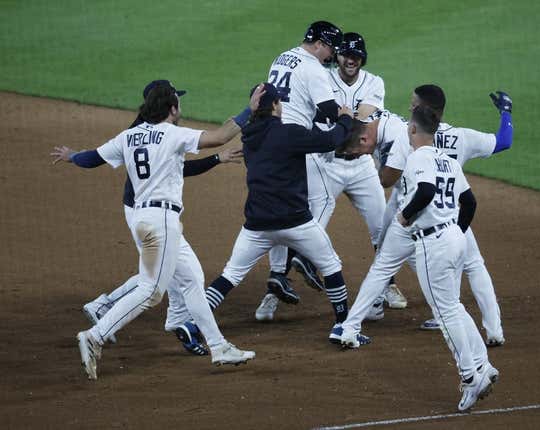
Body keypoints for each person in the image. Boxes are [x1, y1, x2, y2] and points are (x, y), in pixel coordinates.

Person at [51, 81, 256, 379]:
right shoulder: (173, 134)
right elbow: (221, 136)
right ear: (172, 109)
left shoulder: (129, 136)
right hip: (161, 222)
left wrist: (72, 156)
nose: (181, 109)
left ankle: (219, 346)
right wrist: (250, 109)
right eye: (179, 105)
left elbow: (92, 158)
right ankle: (95, 335)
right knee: (151, 291)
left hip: (144, 218)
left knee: (192, 280)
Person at [342, 85, 512, 347]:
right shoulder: (461, 137)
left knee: (382, 268)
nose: (410, 108)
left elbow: (389, 180)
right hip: (450, 217)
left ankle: (351, 326)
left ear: (425, 111)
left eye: (414, 104)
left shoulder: (406, 136)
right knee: (474, 265)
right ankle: (494, 330)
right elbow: (504, 142)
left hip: (410, 219)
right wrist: (506, 112)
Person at [203, 82, 370, 344]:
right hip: (295, 222)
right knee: (331, 266)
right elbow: (330, 140)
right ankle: (342, 326)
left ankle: (193, 322)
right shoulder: (289, 133)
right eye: (279, 101)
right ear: (274, 106)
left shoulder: (249, 136)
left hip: (257, 225)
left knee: (230, 274)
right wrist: (346, 120)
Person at [358, 104, 498, 411]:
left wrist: (405, 217)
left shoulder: (418, 156)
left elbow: (424, 191)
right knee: (454, 307)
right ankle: (483, 365)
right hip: (453, 236)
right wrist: (457, 233)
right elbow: (469, 202)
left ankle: (470, 377)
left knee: (445, 311)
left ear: (412, 130)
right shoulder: (446, 160)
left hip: (432, 242)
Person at [261, 32, 408, 323]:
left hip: (362, 166)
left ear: (363, 58)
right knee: (308, 226)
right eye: (345, 54)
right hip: (325, 163)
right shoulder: (320, 74)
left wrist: (338, 115)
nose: (350, 60)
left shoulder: (374, 82)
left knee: (382, 227)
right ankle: (274, 288)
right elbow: (333, 115)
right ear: (336, 56)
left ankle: (388, 284)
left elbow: (360, 120)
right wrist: (339, 116)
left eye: (356, 56)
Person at [206, 21, 344, 321]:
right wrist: (348, 117)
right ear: (319, 44)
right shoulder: (315, 69)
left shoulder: (282, 56)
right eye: (331, 47)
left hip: (263, 137)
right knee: (321, 201)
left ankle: (278, 272)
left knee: (269, 196)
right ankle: (306, 259)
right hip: (294, 141)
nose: (333, 54)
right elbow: (329, 112)